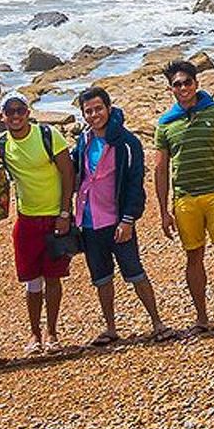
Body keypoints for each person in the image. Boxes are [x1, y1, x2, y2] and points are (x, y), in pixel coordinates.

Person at [152, 60, 214, 331]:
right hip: (185, 200)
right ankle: (202, 319)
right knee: (193, 258)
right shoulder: (165, 125)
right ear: (170, 88)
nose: (183, 88)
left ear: (196, 83)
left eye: (187, 82)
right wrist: (163, 210)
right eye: (177, 84)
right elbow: (161, 170)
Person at [71, 86, 167, 345]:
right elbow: (74, 173)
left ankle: (158, 322)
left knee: (134, 272)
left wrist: (128, 219)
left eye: (98, 109)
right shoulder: (84, 140)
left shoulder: (127, 142)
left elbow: (136, 183)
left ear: (109, 108)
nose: (94, 115)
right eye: (88, 111)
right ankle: (111, 328)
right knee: (101, 277)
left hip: (117, 221)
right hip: (89, 221)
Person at [0, 92, 74, 354]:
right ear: (2, 117)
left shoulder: (48, 135)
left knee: (53, 277)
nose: (16, 116)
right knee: (32, 281)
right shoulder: (1, 145)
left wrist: (65, 213)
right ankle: (34, 334)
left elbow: (68, 174)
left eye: (20, 110)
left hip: (55, 218)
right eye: (10, 112)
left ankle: (52, 333)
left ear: (28, 112)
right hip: (26, 219)